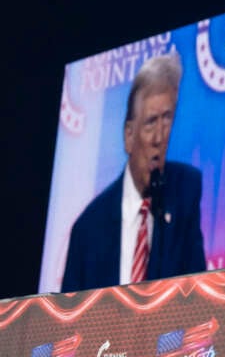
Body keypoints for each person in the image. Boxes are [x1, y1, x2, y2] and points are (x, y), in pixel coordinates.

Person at [61, 53, 206, 292]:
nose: (160, 138)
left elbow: (197, 291)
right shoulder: (88, 228)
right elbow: (69, 321)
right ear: (129, 135)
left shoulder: (185, 191)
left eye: (167, 119)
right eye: (151, 122)